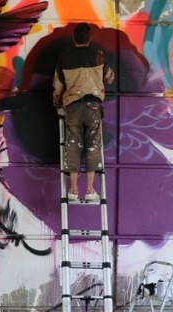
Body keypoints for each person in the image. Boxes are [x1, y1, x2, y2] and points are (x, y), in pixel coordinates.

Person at [53, 23, 115, 202]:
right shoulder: (98, 56)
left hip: (72, 107)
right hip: (93, 106)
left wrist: (58, 104)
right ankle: (89, 190)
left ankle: (73, 190)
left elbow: (57, 85)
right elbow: (110, 77)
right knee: (93, 144)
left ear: (75, 38)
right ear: (90, 38)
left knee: (73, 144)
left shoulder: (65, 57)